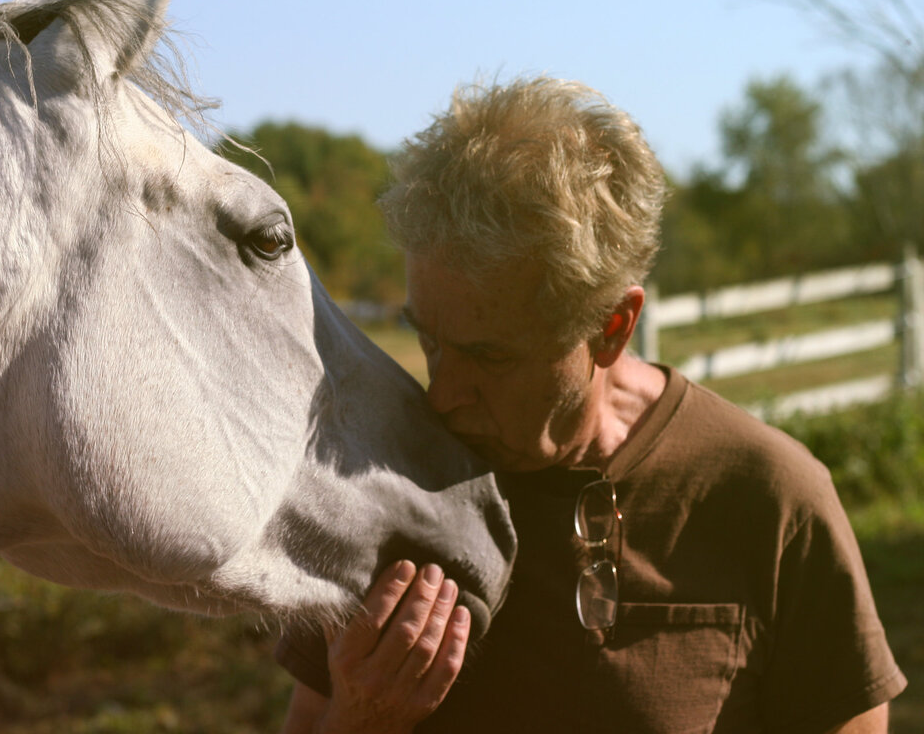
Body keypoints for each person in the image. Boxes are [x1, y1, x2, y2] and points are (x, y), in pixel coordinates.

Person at [276, 77, 906, 733]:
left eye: (491, 357)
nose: (442, 398)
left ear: (612, 325)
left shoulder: (769, 498)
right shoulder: (386, 492)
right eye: (430, 341)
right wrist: (360, 718)